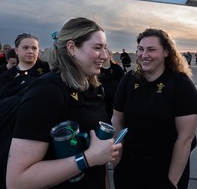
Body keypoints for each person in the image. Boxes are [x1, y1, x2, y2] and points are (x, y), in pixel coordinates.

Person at [6, 17, 122, 188]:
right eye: (97, 48)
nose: (105, 56)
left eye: (105, 48)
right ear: (72, 47)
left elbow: (99, 157)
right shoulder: (47, 91)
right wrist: (88, 158)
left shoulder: (93, 88)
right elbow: (17, 181)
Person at [112, 28, 197, 189]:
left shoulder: (181, 85)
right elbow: (117, 121)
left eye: (151, 49)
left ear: (166, 52)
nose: (144, 55)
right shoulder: (129, 80)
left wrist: (171, 182)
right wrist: (117, 163)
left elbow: (185, 138)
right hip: (129, 171)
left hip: (164, 173)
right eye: (140, 49)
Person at [0, 33, 50, 102]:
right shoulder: (6, 77)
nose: (30, 51)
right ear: (16, 50)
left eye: (34, 48)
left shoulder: (49, 69)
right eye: (25, 48)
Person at [99, 48, 125, 121]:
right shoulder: (98, 68)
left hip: (116, 99)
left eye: (105, 53)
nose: (103, 55)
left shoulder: (116, 68)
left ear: (110, 55)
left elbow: (123, 82)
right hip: (103, 101)